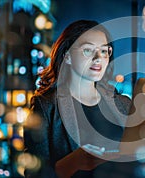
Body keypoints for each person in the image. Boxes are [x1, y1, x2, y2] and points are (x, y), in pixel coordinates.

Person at [24, 20, 131, 178]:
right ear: (67, 56)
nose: (98, 58)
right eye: (88, 50)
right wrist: (72, 163)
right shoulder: (46, 106)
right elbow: (33, 174)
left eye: (104, 51)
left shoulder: (122, 104)